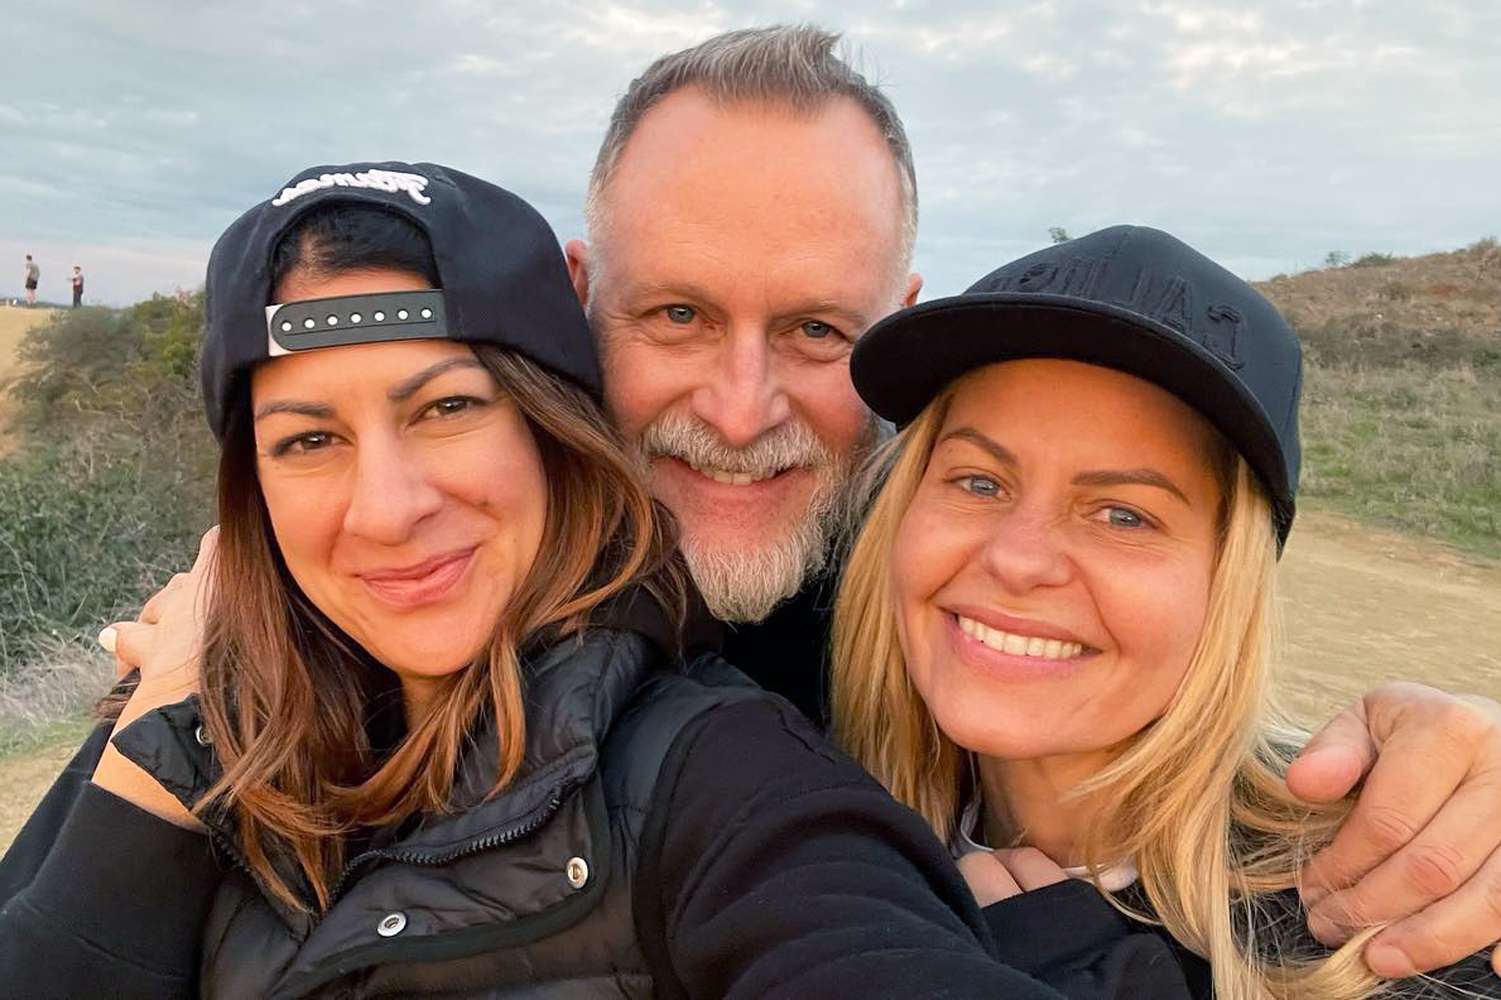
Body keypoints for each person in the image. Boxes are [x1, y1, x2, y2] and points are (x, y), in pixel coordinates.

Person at [108, 26, 1501, 978]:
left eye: (818, 336)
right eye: (677, 313)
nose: (736, 407)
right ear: (582, 301)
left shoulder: (928, 642)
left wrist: (1443, 762)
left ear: (895, 325)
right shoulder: (416, 604)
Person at [0, 163, 1203, 999]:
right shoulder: (202, 690)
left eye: (450, 408)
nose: (388, 504)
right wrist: (165, 734)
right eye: (307, 438)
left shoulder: (714, 771)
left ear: (546, 426)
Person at [832, 225, 1499, 997]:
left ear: (1228, 580)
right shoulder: (808, 815)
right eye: (979, 482)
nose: (1017, 559)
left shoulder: (1387, 918)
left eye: (1121, 515)